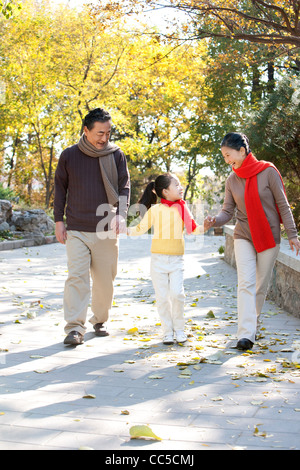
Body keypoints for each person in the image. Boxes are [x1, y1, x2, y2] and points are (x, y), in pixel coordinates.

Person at [205, 132, 300, 350]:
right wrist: (215, 221)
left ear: (242, 150)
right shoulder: (232, 179)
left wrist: (292, 234)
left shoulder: (268, 171)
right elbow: (227, 211)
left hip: (268, 234)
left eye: (229, 155)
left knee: (260, 285)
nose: (228, 161)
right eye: (224, 157)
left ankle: (253, 323)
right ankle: (245, 334)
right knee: (245, 283)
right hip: (243, 234)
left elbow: (283, 205)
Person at [54, 108, 130, 345]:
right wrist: (59, 221)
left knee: (104, 279)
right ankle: (75, 328)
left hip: (107, 227)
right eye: (99, 133)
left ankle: (100, 319)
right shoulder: (69, 156)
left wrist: (122, 215)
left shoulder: (116, 155)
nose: (104, 138)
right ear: (86, 131)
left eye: (108, 133)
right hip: (76, 228)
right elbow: (60, 190)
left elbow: (124, 186)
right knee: (77, 277)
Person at [122, 173, 208, 345]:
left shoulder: (183, 207)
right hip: (158, 260)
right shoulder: (154, 210)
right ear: (165, 192)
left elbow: (193, 229)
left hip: (177, 260)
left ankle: (180, 329)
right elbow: (140, 228)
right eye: (177, 185)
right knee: (162, 298)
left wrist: (205, 226)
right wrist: (125, 230)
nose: (181, 187)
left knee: (177, 295)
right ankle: (167, 332)